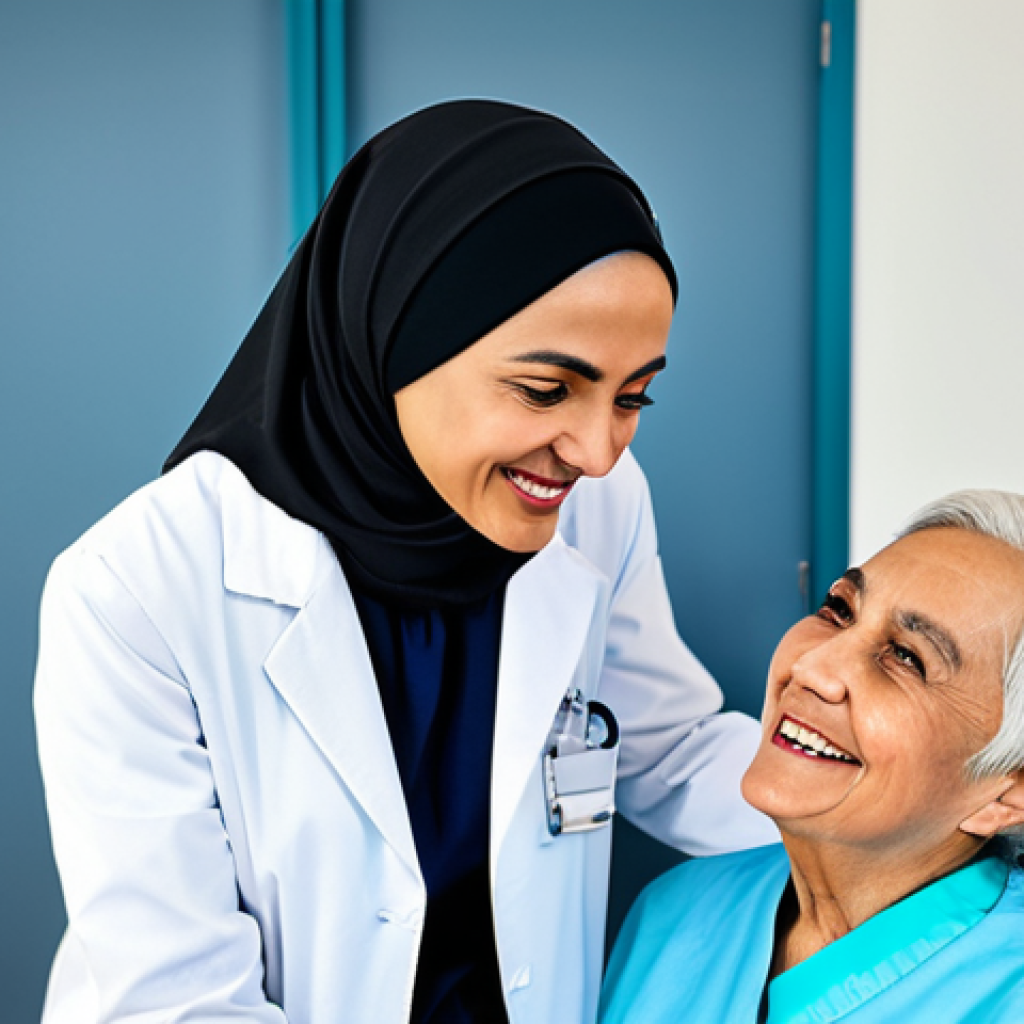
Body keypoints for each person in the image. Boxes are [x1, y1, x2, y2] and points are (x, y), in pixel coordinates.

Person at [33, 99, 775, 1024]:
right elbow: (175, 998)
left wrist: (908, 803)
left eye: (634, 399)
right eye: (548, 389)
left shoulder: (598, 509)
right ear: (399, 339)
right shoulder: (138, 589)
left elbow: (665, 750)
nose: (596, 451)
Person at [599, 489, 1024, 1023]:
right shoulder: (674, 913)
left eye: (907, 659)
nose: (813, 668)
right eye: (839, 610)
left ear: (1010, 790)